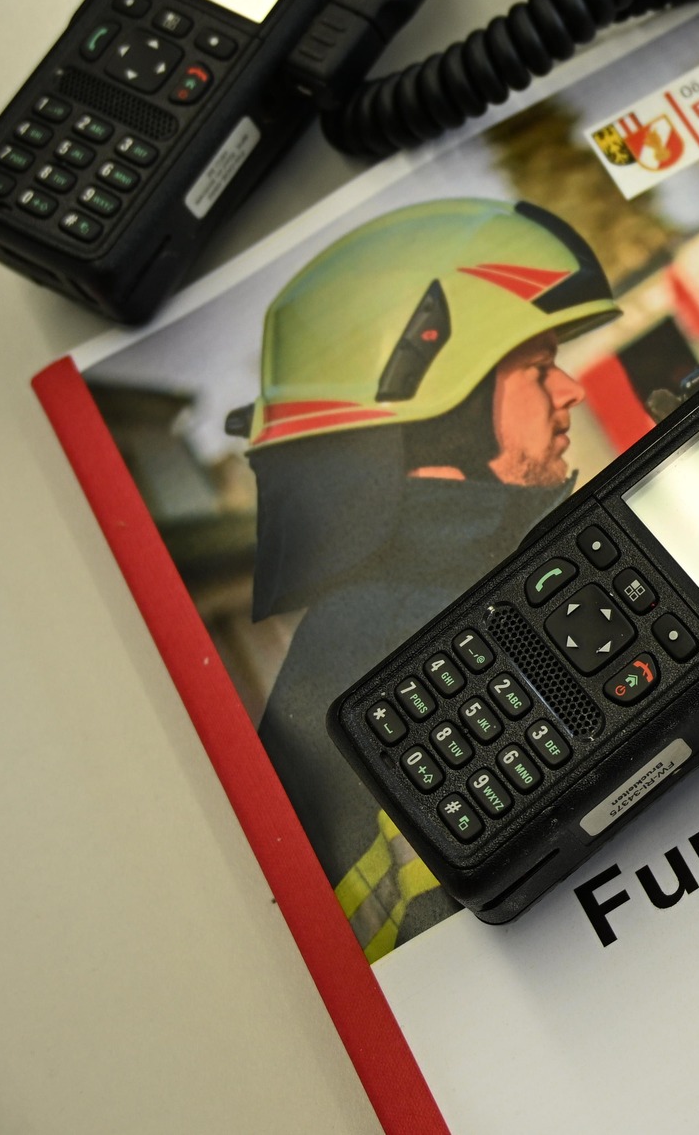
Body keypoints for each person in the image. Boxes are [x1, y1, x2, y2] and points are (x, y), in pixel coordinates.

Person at [228, 198, 620, 957]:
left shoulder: (447, 589)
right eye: (540, 368)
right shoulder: (401, 634)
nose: (570, 389)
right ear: (451, 410)